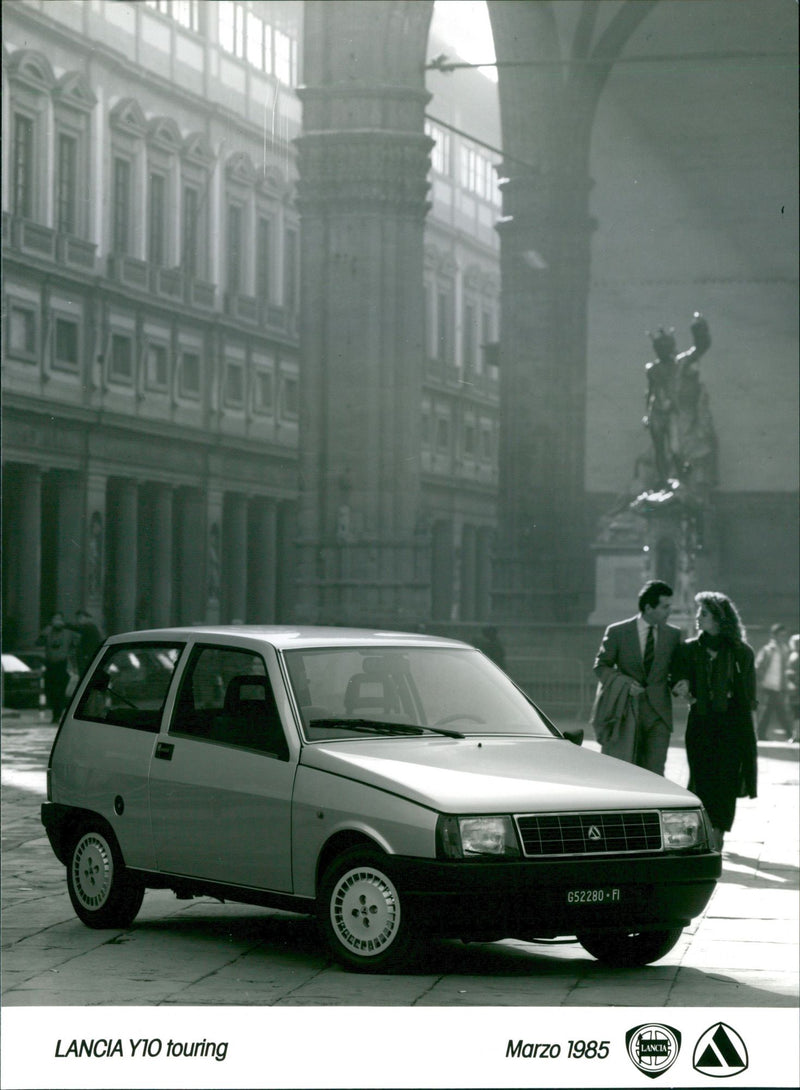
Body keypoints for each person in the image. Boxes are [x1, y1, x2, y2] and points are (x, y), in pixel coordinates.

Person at [675, 592, 757, 851]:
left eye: (704, 613)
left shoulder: (741, 652)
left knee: (727, 778)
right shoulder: (689, 648)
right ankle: (703, 828)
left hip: (732, 723)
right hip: (700, 721)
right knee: (701, 777)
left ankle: (719, 829)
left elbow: (749, 695)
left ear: (720, 619)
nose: (698, 617)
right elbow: (677, 676)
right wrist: (680, 685)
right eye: (699, 612)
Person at [592, 580, 684, 775]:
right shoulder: (618, 632)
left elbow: (676, 672)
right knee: (626, 771)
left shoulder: (673, 635)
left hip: (659, 715)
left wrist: (680, 684)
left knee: (655, 772)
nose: (669, 611)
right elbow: (601, 666)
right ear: (649, 608)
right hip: (626, 712)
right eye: (665, 607)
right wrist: (625, 684)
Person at [754, 623, 792, 740]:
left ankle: (761, 734)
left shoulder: (785, 649)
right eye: (780, 635)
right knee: (774, 710)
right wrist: (760, 680)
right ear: (774, 636)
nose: (782, 638)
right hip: (767, 685)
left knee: (772, 710)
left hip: (779, 685)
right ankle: (790, 734)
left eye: (784, 635)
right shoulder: (768, 650)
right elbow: (758, 666)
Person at [37, 612, 75, 722]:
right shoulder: (48, 632)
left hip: (62, 665)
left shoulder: (68, 633)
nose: (57, 622)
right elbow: (38, 643)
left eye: (59, 619)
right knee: (50, 690)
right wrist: (44, 634)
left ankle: (57, 715)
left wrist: (72, 664)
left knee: (60, 691)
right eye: (55, 619)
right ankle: (55, 712)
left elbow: (74, 647)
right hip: (50, 665)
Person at [66, 608, 104, 675]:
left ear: (87, 618)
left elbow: (76, 628)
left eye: (80, 617)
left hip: (87, 658)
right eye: (77, 618)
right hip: (86, 658)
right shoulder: (88, 628)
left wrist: (64, 625)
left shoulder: (89, 627)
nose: (78, 620)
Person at [785, 634, 799, 743]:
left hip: (796, 688)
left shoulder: (794, 656)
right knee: (796, 713)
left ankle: (796, 735)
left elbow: (790, 673)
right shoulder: (794, 656)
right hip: (795, 688)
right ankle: (796, 735)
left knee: (796, 713)